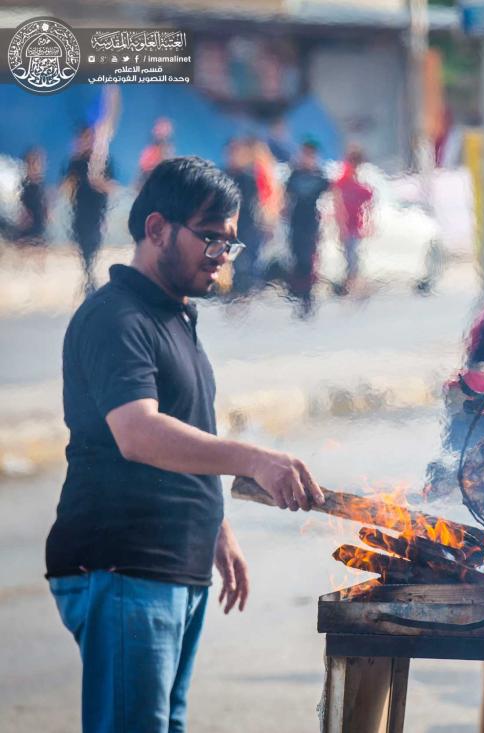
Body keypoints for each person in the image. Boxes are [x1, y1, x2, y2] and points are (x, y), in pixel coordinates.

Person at [45, 156, 324, 732]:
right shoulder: (116, 318)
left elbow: (186, 425)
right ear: (156, 229)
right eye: (210, 238)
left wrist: (216, 527)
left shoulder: (176, 318)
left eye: (230, 243)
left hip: (176, 564)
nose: (221, 256)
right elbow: (140, 432)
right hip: (124, 564)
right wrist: (255, 458)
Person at [62, 125, 115, 294]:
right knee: (83, 242)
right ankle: (88, 277)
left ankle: (91, 278)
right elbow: (66, 186)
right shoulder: (75, 162)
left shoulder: (103, 161)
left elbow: (111, 186)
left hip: (97, 211)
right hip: (80, 210)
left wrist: (98, 182)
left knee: (94, 241)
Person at [283, 139, 329, 314]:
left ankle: (306, 296)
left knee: (308, 259)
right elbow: (285, 199)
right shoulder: (294, 176)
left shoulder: (320, 177)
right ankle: (297, 292)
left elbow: (331, 200)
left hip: (312, 224)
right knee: (296, 258)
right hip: (295, 224)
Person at [331, 144, 375, 296]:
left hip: (356, 225)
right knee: (351, 257)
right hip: (349, 226)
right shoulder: (344, 180)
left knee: (353, 257)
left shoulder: (355, 179)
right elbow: (339, 204)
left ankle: (353, 285)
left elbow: (367, 199)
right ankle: (352, 285)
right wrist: (341, 226)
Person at [223, 138, 264, 296]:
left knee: (243, 261)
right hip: (225, 225)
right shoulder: (222, 175)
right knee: (226, 260)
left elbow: (255, 203)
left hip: (245, 225)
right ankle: (228, 290)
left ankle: (241, 291)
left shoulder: (248, 177)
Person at [1, 147, 48, 250]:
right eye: (33, 163)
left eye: (39, 163)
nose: (37, 167)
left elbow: (43, 214)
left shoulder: (39, 188)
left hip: (36, 236)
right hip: (20, 237)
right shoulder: (19, 187)